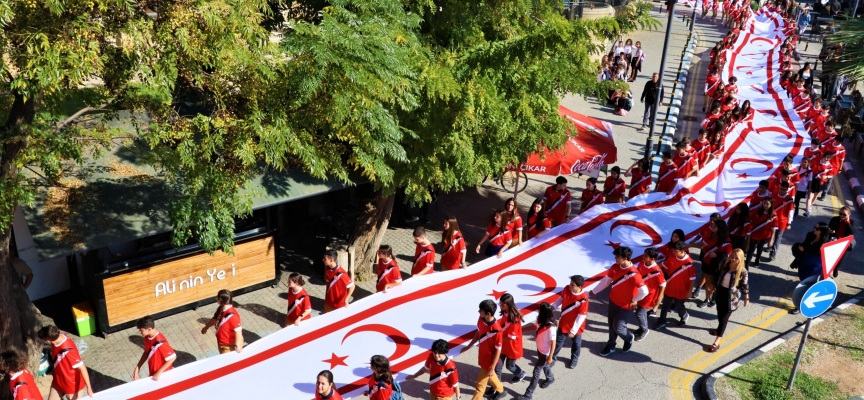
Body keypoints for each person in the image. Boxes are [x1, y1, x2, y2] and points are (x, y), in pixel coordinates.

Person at [589, 246, 648, 356]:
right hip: (613, 301)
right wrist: (594, 291)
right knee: (611, 325)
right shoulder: (615, 267)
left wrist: (634, 300)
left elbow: (644, 291)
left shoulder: (634, 274)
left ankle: (629, 337)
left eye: (618, 257)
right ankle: (611, 345)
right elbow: (606, 281)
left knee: (619, 327)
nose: (615, 258)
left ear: (625, 258)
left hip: (625, 306)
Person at [461, 300, 506, 400]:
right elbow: (479, 333)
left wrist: (492, 367)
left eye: (480, 310)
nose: (478, 312)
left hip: (489, 361)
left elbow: (498, 350)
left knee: (480, 386)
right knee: (491, 375)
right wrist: (469, 346)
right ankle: (501, 390)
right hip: (482, 356)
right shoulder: (481, 319)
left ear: (488, 314)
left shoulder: (497, 330)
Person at [708, 249, 749, 352]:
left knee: (724, 319)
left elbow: (745, 285)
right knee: (719, 313)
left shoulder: (743, 272)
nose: (733, 259)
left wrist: (746, 298)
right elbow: (716, 275)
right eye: (732, 257)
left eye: (736, 258)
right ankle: (719, 329)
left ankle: (717, 342)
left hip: (731, 298)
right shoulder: (725, 265)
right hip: (720, 292)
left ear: (740, 259)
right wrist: (713, 285)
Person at [38, 325, 94, 400]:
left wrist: (89, 388)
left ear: (48, 341)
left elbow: (82, 368)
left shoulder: (69, 351)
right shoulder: (58, 336)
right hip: (59, 381)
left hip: (71, 386)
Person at [516, 303, 557, 400]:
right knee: (545, 366)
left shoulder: (551, 327)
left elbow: (553, 343)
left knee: (536, 372)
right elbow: (535, 327)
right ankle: (550, 378)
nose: (537, 310)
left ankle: (528, 394)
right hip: (540, 349)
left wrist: (550, 356)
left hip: (545, 353)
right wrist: (522, 329)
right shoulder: (540, 319)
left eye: (539, 309)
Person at [790, 224, 830, 314]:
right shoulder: (810, 235)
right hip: (804, 262)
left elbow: (816, 251)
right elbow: (805, 244)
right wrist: (800, 248)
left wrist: (805, 249)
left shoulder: (825, 243)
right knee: (803, 280)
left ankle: (799, 306)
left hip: (815, 267)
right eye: (814, 227)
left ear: (822, 231)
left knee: (808, 286)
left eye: (817, 228)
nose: (814, 229)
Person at [551, 275, 589, 369]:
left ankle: (574, 359)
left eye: (572, 284)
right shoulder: (567, 289)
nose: (570, 286)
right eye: (570, 283)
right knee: (558, 342)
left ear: (579, 287)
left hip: (576, 326)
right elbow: (561, 298)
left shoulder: (583, 299)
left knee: (576, 344)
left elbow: (581, 316)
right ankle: (552, 358)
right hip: (564, 322)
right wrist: (554, 306)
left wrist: (573, 330)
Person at [657, 241, 695, 329]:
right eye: (673, 250)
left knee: (679, 305)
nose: (673, 252)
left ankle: (684, 315)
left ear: (682, 251)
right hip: (670, 287)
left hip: (682, 289)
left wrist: (690, 291)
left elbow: (692, 279)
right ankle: (662, 320)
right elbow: (662, 265)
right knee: (665, 304)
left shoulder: (689, 263)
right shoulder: (671, 258)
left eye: (675, 251)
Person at [633, 248, 666, 341]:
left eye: (646, 256)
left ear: (652, 258)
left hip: (649, 296)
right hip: (640, 292)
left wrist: (659, 298)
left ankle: (644, 329)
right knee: (640, 312)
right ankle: (641, 327)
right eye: (644, 255)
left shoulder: (657, 271)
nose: (643, 257)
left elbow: (662, 285)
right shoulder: (642, 263)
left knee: (639, 313)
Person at [697, 220, 731, 309]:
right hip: (706, 262)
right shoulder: (710, 235)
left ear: (720, 229)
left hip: (716, 265)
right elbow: (703, 244)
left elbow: (728, 254)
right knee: (708, 282)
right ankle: (707, 299)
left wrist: (717, 255)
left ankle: (713, 298)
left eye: (715, 226)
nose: (712, 226)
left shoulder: (726, 241)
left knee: (713, 283)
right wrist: (690, 245)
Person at [132, 316, 176, 381]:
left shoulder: (160, 343)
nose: (139, 332)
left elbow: (172, 357)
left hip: (164, 375)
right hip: (154, 374)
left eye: (141, 330)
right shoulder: (147, 337)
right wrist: (138, 367)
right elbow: (147, 351)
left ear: (149, 329)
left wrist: (159, 372)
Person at [495, 294, 526, 385]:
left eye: (503, 305)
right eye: (500, 304)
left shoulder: (515, 319)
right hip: (504, 345)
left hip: (512, 347)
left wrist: (497, 338)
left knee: (510, 366)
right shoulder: (506, 312)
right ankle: (497, 386)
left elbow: (509, 338)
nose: (500, 306)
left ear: (508, 305)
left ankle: (520, 374)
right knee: (498, 366)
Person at [201, 289, 243, 353]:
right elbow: (215, 319)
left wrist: (237, 346)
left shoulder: (233, 316)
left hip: (229, 346)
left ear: (220, 300)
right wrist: (206, 327)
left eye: (217, 297)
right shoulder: (221, 308)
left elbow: (238, 332)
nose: (216, 299)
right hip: (222, 343)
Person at [745, 198, 776, 268]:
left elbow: (773, 229)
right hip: (754, 235)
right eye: (764, 203)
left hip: (764, 236)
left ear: (771, 205)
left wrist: (771, 240)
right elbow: (750, 220)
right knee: (751, 250)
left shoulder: (773, 215)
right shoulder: (757, 211)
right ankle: (746, 265)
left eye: (767, 204)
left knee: (760, 249)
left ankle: (757, 260)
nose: (765, 205)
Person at [769, 181, 795, 261]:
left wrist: (789, 223)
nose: (782, 191)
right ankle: (769, 246)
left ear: (787, 189)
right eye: (781, 189)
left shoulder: (789, 199)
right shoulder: (773, 195)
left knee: (778, 238)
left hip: (782, 222)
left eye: (784, 189)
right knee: (769, 235)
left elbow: (791, 212)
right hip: (772, 220)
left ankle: (773, 253)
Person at [804, 152, 835, 217]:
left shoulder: (830, 167)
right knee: (810, 196)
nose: (826, 159)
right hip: (813, 181)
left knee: (816, 195)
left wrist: (826, 177)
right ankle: (807, 210)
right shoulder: (816, 161)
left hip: (821, 182)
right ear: (823, 156)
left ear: (830, 159)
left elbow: (831, 175)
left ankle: (810, 206)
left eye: (828, 158)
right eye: (825, 157)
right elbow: (810, 168)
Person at [828, 207, 855, 277]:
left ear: (849, 215)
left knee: (839, 259)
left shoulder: (851, 222)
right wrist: (831, 231)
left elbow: (852, 232)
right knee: (830, 257)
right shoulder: (835, 219)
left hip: (843, 243)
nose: (842, 216)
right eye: (840, 214)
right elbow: (829, 227)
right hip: (834, 240)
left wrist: (848, 222)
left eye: (844, 214)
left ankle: (836, 268)